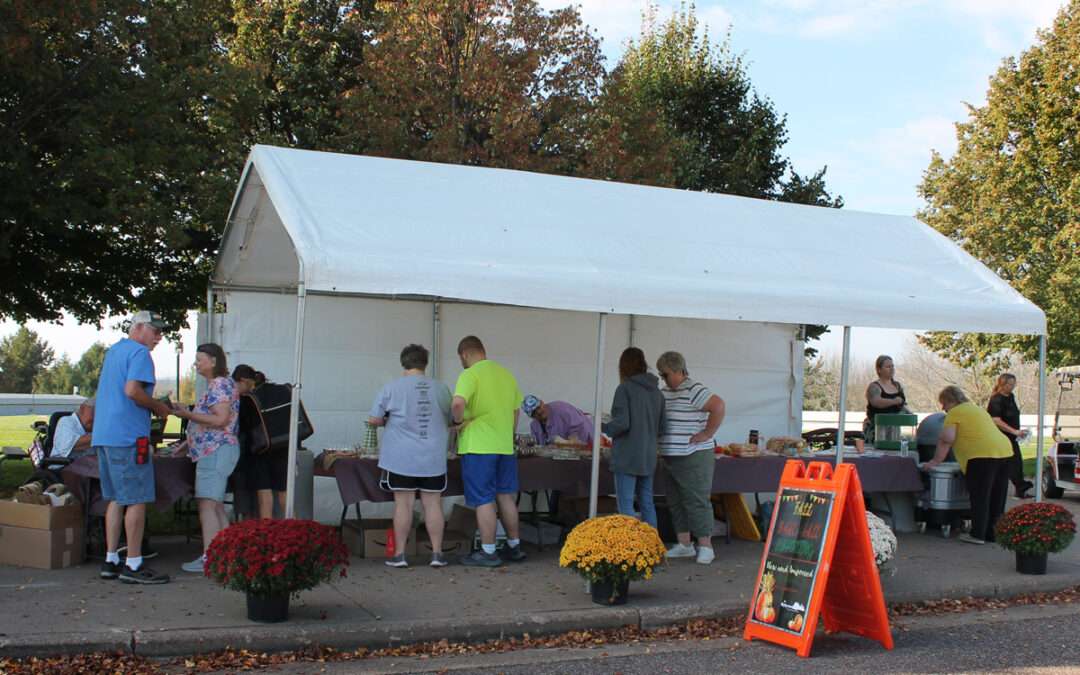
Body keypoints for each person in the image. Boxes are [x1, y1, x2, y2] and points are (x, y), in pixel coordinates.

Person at [92, 310, 172, 584]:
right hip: (128, 437)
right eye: (155, 330)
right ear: (138, 328)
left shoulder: (114, 352)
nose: (159, 337)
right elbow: (132, 391)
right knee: (137, 499)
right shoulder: (140, 354)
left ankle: (111, 558)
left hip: (104, 435)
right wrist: (159, 407)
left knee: (116, 498)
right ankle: (134, 564)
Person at [368, 344, 453, 568]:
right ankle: (436, 554)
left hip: (401, 457)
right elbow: (452, 417)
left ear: (403, 362)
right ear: (425, 363)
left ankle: (400, 555)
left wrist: (387, 419)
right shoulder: (441, 388)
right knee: (433, 504)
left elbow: (374, 420)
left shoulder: (391, 388)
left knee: (403, 505)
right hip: (433, 457)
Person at [451, 335, 525, 567]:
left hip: (479, 445)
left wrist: (458, 422)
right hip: (504, 444)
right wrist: (507, 432)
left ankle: (488, 551)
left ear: (464, 354)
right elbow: (516, 412)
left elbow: (457, 404)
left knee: (483, 498)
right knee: (505, 495)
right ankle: (514, 546)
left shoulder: (470, 374)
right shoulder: (506, 374)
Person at [170, 344, 241, 573]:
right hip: (217, 450)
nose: (196, 363)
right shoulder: (222, 384)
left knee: (207, 505)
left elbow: (220, 420)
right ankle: (225, 556)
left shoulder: (219, 385)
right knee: (216, 505)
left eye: (199, 359)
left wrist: (186, 413)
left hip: (215, 451)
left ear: (213, 360)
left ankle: (211, 558)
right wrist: (187, 443)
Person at [656, 351, 726, 565]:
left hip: (693, 454)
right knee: (676, 501)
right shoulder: (666, 391)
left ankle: (705, 546)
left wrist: (707, 433)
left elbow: (718, 406)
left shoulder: (694, 389)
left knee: (696, 500)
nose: (663, 378)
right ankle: (684, 544)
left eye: (665, 374)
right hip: (670, 456)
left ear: (678, 370)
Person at [924, 385, 1013, 545]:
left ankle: (977, 534)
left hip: (981, 456)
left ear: (950, 401)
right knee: (997, 496)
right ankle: (993, 533)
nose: (943, 408)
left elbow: (947, 439)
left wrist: (935, 461)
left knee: (980, 496)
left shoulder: (955, 413)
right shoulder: (976, 409)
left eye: (943, 403)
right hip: (1005, 451)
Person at [601, 348, 665, 529]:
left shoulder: (624, 389)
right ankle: (652, 548)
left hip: (627, 456)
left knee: (626, 505)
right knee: (647, 503)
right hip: (649, 456)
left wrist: (603, 426)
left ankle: (630, 550)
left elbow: (622, 423)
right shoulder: (657, 392)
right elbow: (662, 427)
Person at [231, 365, 287, 519]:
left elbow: (241, 428)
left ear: (242, 380)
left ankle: (265, 535)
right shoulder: (280, 391)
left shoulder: (248, 399)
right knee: (284, 494)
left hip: (260, 451)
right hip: (283, 447)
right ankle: (293, 530)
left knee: (265, 494)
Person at [987, 373, 1033, 499]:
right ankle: (1017, 487)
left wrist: (1019, 431)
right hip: (1001, 437)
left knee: (1016, 463)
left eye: (1014, 384)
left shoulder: (1011, 397)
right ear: (1002, 384)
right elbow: (996, 420)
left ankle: (1020, 488)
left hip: (1013, 436)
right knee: (1009, 463)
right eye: (1010, 384)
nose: (1012, 387)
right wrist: (1014, 431)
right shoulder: (996, 399)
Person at [863, 355, 910, 443]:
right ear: (879, 370)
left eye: (893, 366)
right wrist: (894, 401)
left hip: (896, 428)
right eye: (888, 367)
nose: (892, 369)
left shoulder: (897, 386)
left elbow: (903, 404)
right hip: (878, 429)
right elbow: (876, 402)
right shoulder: (874, 386)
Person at [521, 396, 593, 446]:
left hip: (587, 447)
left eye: (538, 407)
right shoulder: (534, 426)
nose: (538, 412)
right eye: (534, 412)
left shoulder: (561, 409)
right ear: (530, 416)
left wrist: (569, 442)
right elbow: (537, 446)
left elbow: (579, 428)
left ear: (542, 402)